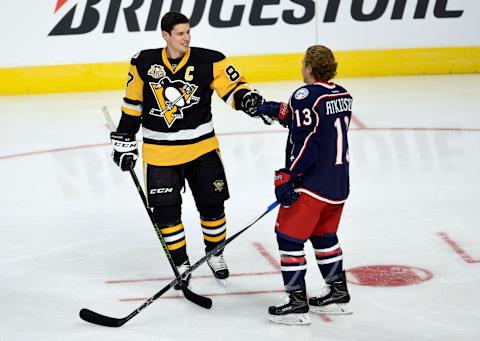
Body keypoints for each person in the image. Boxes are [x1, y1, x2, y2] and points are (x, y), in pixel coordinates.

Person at [109, 12, 271, 287]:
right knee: (166, 213)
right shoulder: (143, 62)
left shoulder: (209, 59)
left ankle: (215, 254)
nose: (186, 38)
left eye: (188, 32)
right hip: (159, 153)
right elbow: (133, 104)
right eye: (180, 33)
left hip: (202, 149)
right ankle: (181, 262)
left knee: (213, 207)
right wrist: (125, 138)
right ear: (165, 35)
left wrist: (250, 100)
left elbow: (234, 88)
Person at [257, 45, 353, 325]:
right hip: (337, 184)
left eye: (303, 64)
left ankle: (296, 303)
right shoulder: (342, 94)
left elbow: (307, 141)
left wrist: (289, 175)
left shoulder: (304, 95)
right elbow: (311, 121)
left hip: (311, 185)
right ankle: (337, 293)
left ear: (309, 68)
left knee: (289, 237)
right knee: (324, 237)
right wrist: (270, 109)